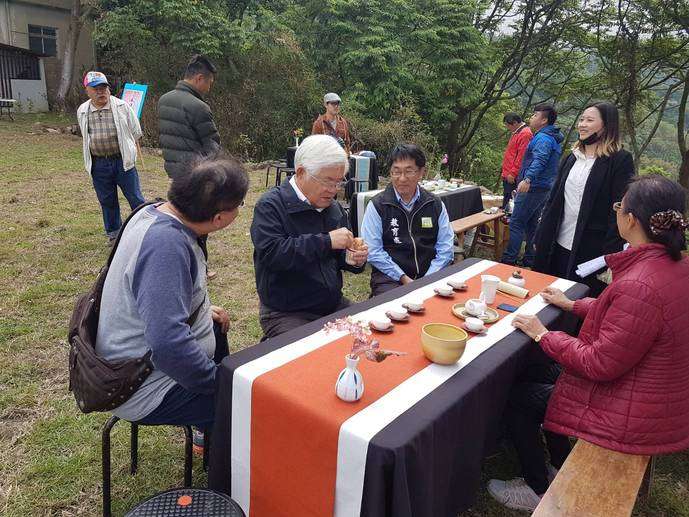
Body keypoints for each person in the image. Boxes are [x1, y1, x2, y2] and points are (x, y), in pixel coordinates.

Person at [489, 174, 689, 511]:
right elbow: (630, 319)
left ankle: (537, 488)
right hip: (652, 396)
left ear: (630, 219)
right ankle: (558, 465)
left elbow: (598, 363)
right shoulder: (674, 266)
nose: (617, 212)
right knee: (541, 374)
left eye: (618, 206)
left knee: (520, 397)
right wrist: (572, 305)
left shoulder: (640, 282)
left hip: (629, 409)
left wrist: (543, 333)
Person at [95, 155, 249, 429]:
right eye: (240, 205)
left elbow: (156, 299)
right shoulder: (166, 246)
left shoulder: (153, 210)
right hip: (138, 383)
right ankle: (225, 459)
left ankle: (210, 434)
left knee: (216, 327)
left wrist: (200, 310)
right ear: (218, 218)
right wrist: (218, 384)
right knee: (246, 405)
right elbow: (167, 344)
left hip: (141, 361)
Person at [251, 135, 368, 339]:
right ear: (301, 172)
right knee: (311, 359)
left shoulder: (334, 209)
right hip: (286, 311)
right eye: (327, 181)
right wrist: (327, 241)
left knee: (369, 336)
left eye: (339, 182)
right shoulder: (270, 205)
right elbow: (273, 255)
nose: (333, 190)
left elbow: (338, 257)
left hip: (332, 304)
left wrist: (353, 259)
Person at [533, 102, 634, 295]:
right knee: (547, 296)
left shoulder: (619, 160)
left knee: (577, 303)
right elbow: (554, 200)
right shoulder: (572, 157)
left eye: (589, 120)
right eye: (581, 119)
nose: (582, 124)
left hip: (591, 250)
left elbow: (619, 209)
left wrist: (610, 255)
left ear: (606, 126)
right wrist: (542, 234)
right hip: (559, 242)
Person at [361, 143, 454, 296]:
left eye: (409, 171)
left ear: (421, 172)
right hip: (391, 278)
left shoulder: (434, 203)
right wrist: (404, 278)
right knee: (395, 307)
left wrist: (427, 279)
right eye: (396, 172)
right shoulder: (378, 205)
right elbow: (373, 251)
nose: (402, 178)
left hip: (430, 274)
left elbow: (445, 248)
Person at [76, 71, 146, 245]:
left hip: (123, 161)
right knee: (107, 200)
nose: (101, 92)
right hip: (98, 163)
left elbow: (136, 132)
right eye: (96, 89)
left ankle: (144, 230)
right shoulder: (83, 111)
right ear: (88, 91)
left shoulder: (122, 106)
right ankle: (114, 233)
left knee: (135, 197)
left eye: (104, 88)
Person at [501, 104, 563, 267]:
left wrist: (527, 179)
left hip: (534, 187)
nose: (531, 118)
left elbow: (540, 160)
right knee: (531, 224)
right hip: (544, 187)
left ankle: (509, 260)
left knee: (516, 222)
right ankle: (529, 259)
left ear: (544, 120)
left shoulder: (543, 138)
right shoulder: (550, 137)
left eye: (535, 115)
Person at [159, 54, 220, 179]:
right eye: (209, 83)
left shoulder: (164, 100)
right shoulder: (199, 107)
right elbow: (212, 146)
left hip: (173, 171)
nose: (209, 88)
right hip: (195, 173)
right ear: (199, 78)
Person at [501, 112, 533, 209]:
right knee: (506, 197)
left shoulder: (525, 134)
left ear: (514, 123)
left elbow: (522, 156)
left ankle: (508, 220)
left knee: (511, 200)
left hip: (513, 174)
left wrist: (513, 173)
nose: (507, 127)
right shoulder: (517, 132)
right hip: (507, 172)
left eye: (507, 125)